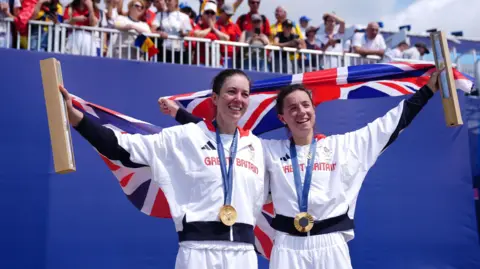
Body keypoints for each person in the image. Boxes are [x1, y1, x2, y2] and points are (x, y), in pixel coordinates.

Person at [159, 69, 443, 269]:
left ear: (315, 110)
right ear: (282, 117)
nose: (301, 112)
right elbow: (222, 138)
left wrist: (428, 90)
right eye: (292, 108)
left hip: (331, 245)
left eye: (306, 105)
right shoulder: (266, 150)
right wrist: (181, 115)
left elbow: (390, 124)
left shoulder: (343, 147)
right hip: (287, 248)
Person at [59, 69, 268, 269]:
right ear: (214, 98)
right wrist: (76, 117)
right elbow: (121, 147)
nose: (238, 99)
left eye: (245, 94)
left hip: (243, 254)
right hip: (198, 251)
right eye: (231, 91)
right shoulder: (184, 137)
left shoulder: (257, 146)